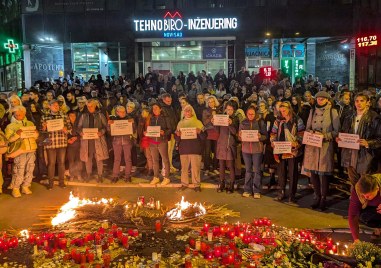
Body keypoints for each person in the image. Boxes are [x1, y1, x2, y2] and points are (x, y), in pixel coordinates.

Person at [303, 91, 340, 211]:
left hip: (325, 146)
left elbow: (336, 131)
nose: (320, 100)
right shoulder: (312, 111)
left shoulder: (332, 112)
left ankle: (324, 198)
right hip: (313, 145)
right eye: (318, 98)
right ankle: (317, 196)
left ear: (327, 100)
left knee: (323, 174)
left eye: (323, 99)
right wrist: (311, 133)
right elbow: (307, 127)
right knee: (313, 173)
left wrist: (324, 135)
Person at [270, 101, 305, 203]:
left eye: (284, 110)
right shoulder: (278, 120)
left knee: (293, 173)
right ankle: (281, 192)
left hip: (292, 151)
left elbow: (302, 133)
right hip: (280, 150)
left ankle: (292, 195)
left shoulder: (297, 120)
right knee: (281, 173)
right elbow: (273, 132)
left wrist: (297, 143)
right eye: (281, 111)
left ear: (289, 109)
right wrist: (272, 142)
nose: (283, 113)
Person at [338, 93, 381, 175]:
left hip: (366, 155)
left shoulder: (375, 117)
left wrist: (368, 143)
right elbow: (343, 132)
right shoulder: (349, 116)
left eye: (362, 101)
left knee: (364, 184)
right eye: (357, 101)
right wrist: (340, 139)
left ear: (368, 102)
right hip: (350, 155)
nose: (359, 103)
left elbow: (379, 139)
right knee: (353, 182)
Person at [5, 105, 39, 197]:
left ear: (24, 113)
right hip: (20, 150)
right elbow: (8, 140)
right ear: (14, 114)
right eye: (17, 113)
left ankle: (26, 186)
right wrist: (17, 134)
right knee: (20, 168)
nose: (19, 114)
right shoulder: (10, 126)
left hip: (31, 149)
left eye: (21, 113)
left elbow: (35, 137)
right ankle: (16, 188)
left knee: (30, 168)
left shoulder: (30, 123)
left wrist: (36, 134)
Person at [41, 99, 71, 189]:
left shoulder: (64, 116)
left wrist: (66, 130)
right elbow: (41, 131)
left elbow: (69, 128)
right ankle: (51, 183)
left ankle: (61, 182)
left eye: (57, 105)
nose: (56, 106)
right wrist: (44, 127)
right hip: (50, 142)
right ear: (49, 106)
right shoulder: (45, 117)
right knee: (51, 163)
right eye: (54, 105)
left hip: (61, 141)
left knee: (61, 163)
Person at [175, 105, 206, 192]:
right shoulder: (180, 123)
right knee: (184, 168)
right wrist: (177, 135)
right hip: (184, 149)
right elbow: (177, 138)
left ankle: (196, 184)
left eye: (189, 110)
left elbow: (204, 137)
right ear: (183, 112)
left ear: (192, 111)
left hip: (195, 149)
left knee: (195, 168)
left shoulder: (198, 122)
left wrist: (200, 132)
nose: (188, 112)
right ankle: (184, 183)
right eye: (186, 111)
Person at [77, 99, 109, 183]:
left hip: (98, 140)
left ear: (95, 106)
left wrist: (101, 132)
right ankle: (88, 174)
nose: (89, 107)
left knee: (99, 159)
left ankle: (100, 175)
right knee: (88, 158)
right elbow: (79, 127)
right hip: (87, 141)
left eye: (91, 106)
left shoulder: (100, 115)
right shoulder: (83, 116)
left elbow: (106, 127)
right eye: (88, 106)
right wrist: (80, 133)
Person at [239, 106, 268, 198]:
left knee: (257, 170)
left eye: (252, 114)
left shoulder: (260, 122)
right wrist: (239, 136)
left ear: (255, 114)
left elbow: (265, 136)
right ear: (246, 114)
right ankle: (247, 189)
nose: (251, 116)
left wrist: (260, 136)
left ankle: (256, 190)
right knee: (248, 170)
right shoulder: (243, 122)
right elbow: (239, 137)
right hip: (246, 150)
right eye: (249, 114)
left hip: (257, 150)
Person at [213, 101, 239, 194]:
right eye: (228, 109)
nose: (229, 111)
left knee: (231, 166)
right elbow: (217, 131)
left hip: (230, 144)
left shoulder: (235, 119)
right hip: (221, 144)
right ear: (225, 109)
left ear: (234, 110)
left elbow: (234, 132)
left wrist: (230, 123)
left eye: (231, 109)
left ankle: (231, 184)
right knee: (222, 166)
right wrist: (214, 123)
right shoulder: (222, 117)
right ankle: (222, 183)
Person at [348, 173, 381, 242]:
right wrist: (356, 239)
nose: (365, 198)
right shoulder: (357, 190)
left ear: (377, 189)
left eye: (368, 196)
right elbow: (352, 215)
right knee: (363, 216)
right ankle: (378, 227)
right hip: (373, 210)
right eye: (363, 195)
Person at [108, 105, 136, 183]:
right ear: (117, 112)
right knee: (117, 159)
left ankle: (127, 176)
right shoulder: (113, 120)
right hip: (117, 142)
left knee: (128, 159)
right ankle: (115, 176)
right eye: (121, 112)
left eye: (124, 111)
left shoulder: (129, 119)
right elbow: (110, 132)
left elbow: (133, 131)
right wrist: (109, 125)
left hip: (127, 141)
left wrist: (133, 124)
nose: (123, 113)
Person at [146, 103, 171, 185]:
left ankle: (167, 177)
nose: (154, 110)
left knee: (165, 160)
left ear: (160, 109)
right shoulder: (151, 118)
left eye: (156, 108)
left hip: (162, 142)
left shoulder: (165, 118)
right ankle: (156, 177)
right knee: (154, 160)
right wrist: (146, 132)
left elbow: (170, 129)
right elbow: (149, 128)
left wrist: (164, 132)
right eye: (153, 108)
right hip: (152, 142)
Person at [66, 110, 82, 181]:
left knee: (78, 161)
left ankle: (79, 175)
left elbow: (83, 134)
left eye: (74, 115)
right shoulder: (66, 125)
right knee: (71, 161)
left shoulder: (79, 124)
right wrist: (67, 140)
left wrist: (77, 137)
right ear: (68, 117)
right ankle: (72, 175)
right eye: (70, 116)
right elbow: (64, 135)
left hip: (78, 145)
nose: (72, 117)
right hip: (70, 146)